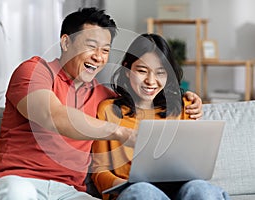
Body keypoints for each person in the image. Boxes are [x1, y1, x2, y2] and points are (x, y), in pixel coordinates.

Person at [0, 8, 203, 200]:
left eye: (105, 50)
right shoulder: (35, 71)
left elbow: (144, 96)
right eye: (91, 46)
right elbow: (53, 117)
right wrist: (120, 133)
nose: (99, 56)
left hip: (69, 192)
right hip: (17, 181)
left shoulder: (103, 97)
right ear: (66, 42)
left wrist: (186, 97)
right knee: (16, 193)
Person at [91, 33, 230, 200]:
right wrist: (123, 185)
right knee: (143, 191)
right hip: (138, 192)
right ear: (127, 70)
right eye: (142, 71)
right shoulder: (109, 110)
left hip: (181, 190)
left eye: (160, 73)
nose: (151, 81)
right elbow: (100, 171)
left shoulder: (184, 106)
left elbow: (194, 164)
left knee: (201, 189)